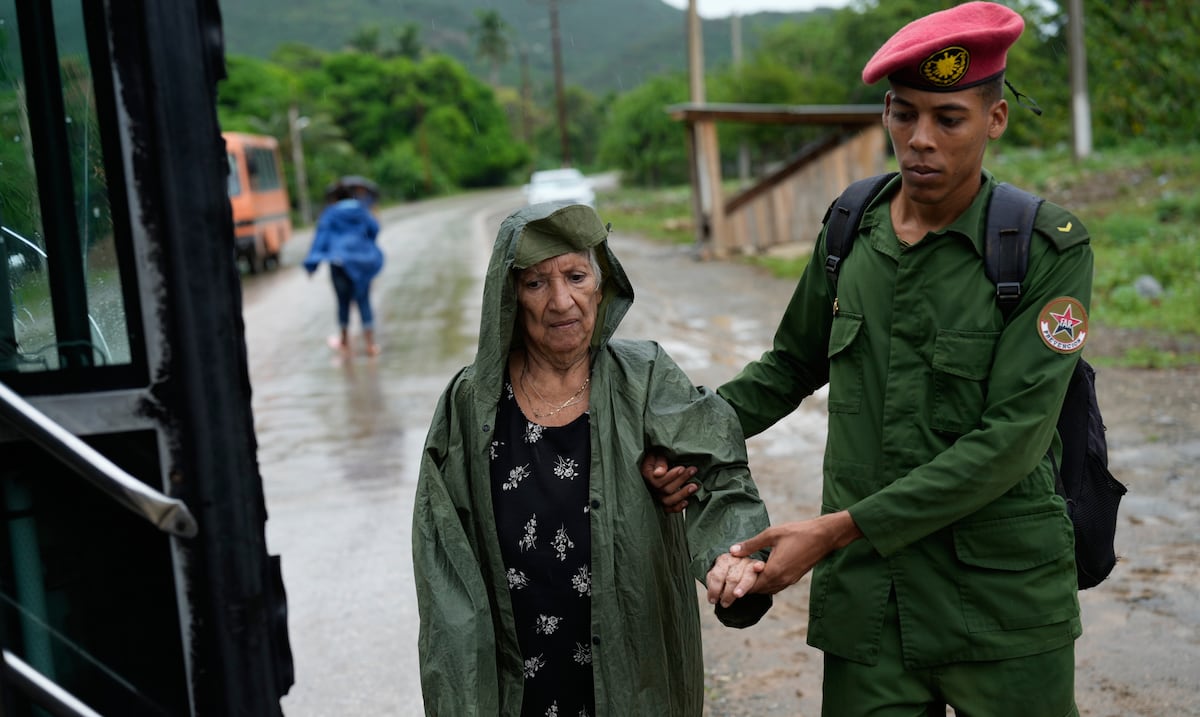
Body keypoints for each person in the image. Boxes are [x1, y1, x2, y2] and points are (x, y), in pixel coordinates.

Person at [644, 3, 1093, 715]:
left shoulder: (1044, 250)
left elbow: (1011, 441)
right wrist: (683, 443)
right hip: (872, 609)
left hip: (1004, 608)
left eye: (948, 118)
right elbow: (790, 365)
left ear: (995, 119)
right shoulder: (851, 228)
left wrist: (830, 531)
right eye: (902, 113)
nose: (919, 140)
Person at [413, 202, 772, 716]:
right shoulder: (469, 405)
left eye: (576, 276)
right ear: (510, 296)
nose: (561, 301)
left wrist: (731, 558)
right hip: (516, 678)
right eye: (536, 283)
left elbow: (717, 468)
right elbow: (442, 565)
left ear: (600, 289)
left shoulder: (643, 378)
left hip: (633, 666)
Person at [303, 180, 384, 356]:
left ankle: (345, 342)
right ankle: (370, 344)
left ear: (334, 198)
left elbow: (321, 239)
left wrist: (312, 264)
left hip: (339, 262)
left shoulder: (330, 214)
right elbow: (375, 230)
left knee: (343, 302)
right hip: (362, 263)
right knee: (364, 301)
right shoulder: (362, 210)